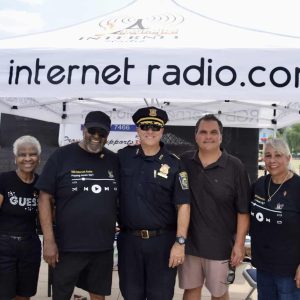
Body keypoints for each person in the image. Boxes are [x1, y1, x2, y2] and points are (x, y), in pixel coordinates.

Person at [37, 111, 119, 300]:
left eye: (102, 133)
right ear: (83, 129)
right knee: (62, 294)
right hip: (68, 246)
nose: (96, 137)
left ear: (108, 135)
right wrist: (48, 241)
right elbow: (44, 198)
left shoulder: (114, 160)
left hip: (103, 246)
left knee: (99, 294)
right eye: (92, 131)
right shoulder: (62, 156)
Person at [117, 106, 191, 300]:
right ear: (138, 130)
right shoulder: (123, 157)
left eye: (155, 127)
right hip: (129, 242)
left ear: (162, 131)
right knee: (131, 295)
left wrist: (180, 243)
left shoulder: (174, 163)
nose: (150, 131)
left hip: (163, 243)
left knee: (160, 296)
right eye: (145, 126)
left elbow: (183, 204)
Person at [178, 114, 250, 300]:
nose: (208, 136)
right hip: (190, 245)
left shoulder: (235, 167)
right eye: (203, 132)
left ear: (221, 136)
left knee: (219, 294)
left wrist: (239, 244)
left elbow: (243, 211)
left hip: (221, 247)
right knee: (191, 290)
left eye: (213, 132)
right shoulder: (184, 162)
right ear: (195, 136)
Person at [250, 138, 300, 299]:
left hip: (289, 272)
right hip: (263, 266)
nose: (272, 160)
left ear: (288, 158)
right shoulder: (259, 184)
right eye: (268, 155)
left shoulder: (297, 188)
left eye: (278, 155)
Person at [0, 135, 41, 300]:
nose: (28, 158)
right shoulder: (4, 180)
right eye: (22, 154)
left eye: (32, 154)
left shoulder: (41, 183)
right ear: (15, 158)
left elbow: (48, 216)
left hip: (30, 245)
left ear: (39, 158)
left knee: (24, 294)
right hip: (4, 246)